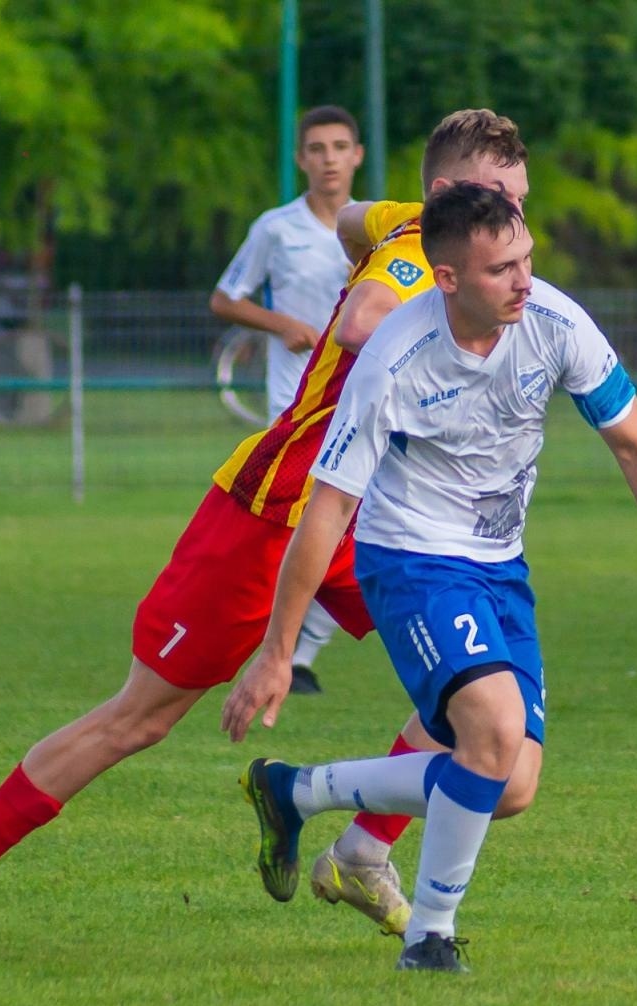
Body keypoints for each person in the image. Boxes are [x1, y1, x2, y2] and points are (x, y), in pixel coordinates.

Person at [0, 110, 533, 959]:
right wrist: (442, 332)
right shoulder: (420, 257)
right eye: (499, 199)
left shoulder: (404, 225)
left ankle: (361, 854)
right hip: (273, 512)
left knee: (470, 698)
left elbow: (351, 221)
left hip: (375, 518)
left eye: (520, 202)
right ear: (448, 194)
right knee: (139, 720)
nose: (515, 220)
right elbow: (361, 319)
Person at [221, 183, 637, 973]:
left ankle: (298, 793)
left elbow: (636, 443)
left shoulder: (555, 322)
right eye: (501, 270)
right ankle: (429, 937)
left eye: (527, 259)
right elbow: (328, 508)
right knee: (491, 728)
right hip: (410, 558)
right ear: (448, 278)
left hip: (500, 567)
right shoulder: (394, 358)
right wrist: (279, 651)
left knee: (511, 782)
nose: (525, 281)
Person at [210, 105, 364, 694]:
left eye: (340, 147)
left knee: (355, 535)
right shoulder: (276, 228)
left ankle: (299, 653)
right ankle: (270, 646)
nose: (329, 159)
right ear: (301, 159)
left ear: (357, 156)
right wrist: (281, 324)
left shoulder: (376, 229)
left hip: (361, 405)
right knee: (294, 533)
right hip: (296, 409)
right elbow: (225, 298)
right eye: (317, 149)